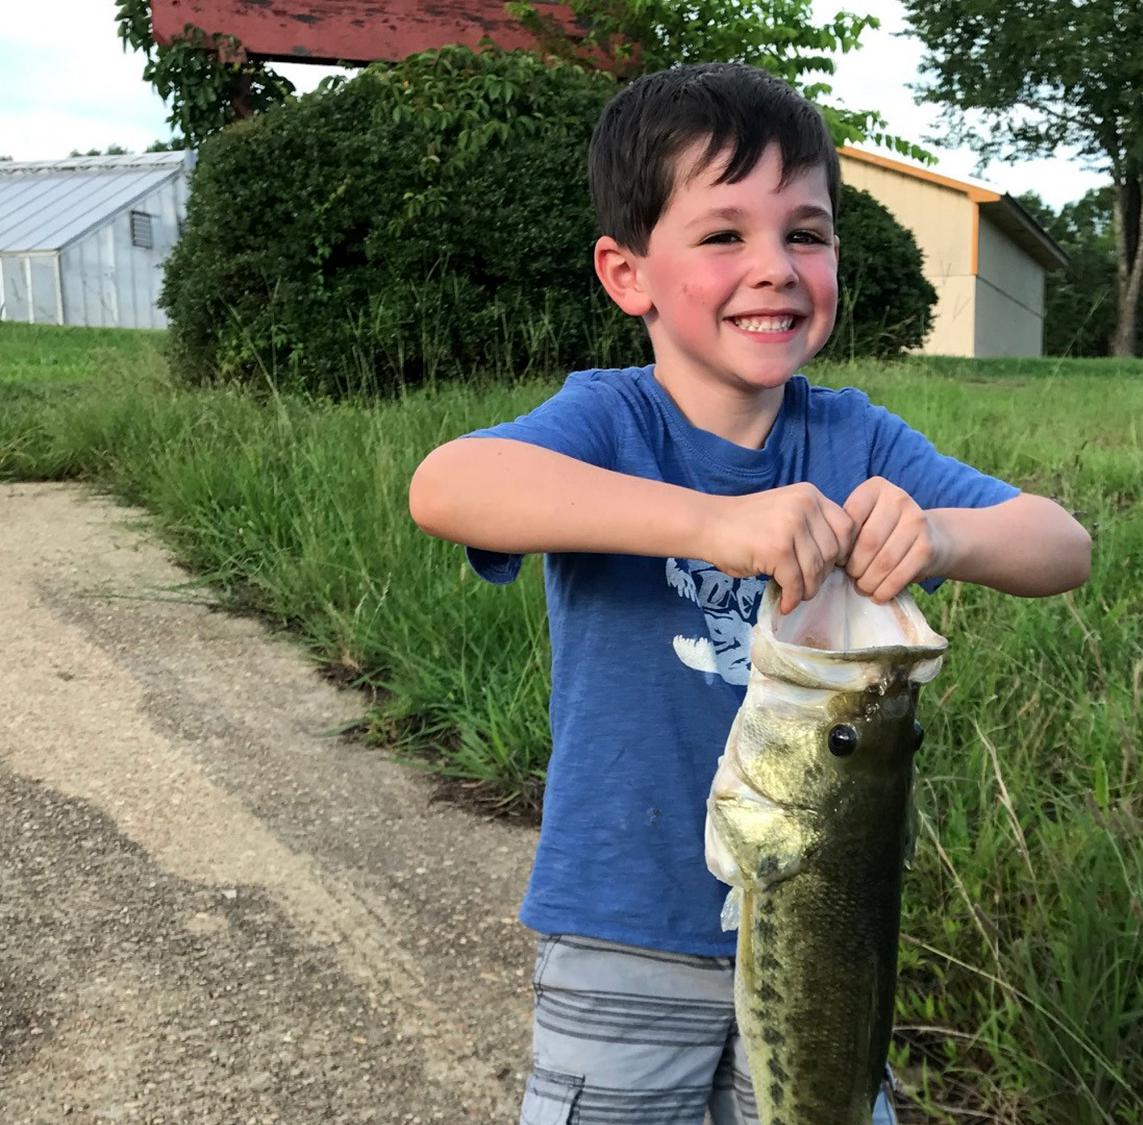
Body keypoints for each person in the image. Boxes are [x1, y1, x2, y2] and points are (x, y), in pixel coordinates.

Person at [408, 60, 1091, 1125]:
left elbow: (1061, 546)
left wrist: (941, 534)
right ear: (628, 273)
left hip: (834, 932)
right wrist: (711, 523)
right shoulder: (610, 423)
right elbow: (448, 486)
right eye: (724, 235)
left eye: (805, 234)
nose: (773, 267)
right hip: (627, 932)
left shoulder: (855, 436)